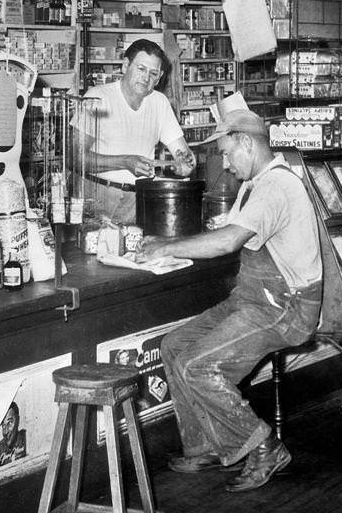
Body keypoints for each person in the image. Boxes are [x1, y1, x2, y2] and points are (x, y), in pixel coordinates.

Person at [134, 109, 322, 492]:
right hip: (253, 298)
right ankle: (208, 445)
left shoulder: (275, 186)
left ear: (248, 144)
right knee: (175, 347)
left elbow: (228, 241)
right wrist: (168, 242)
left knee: (198, 366)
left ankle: (266, 446)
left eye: (227, 152)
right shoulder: (255, 184)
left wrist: (166, 246)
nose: (225, 163)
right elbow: (228, 229)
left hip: (285, 307)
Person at [76, 39, 196, 223]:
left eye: (153, 73)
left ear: (159, 77)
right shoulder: (98, 97)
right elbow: (75, 157)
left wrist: (185, 162)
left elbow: (183, 154)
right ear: (125, 66)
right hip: (98, 196)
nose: (146, 78)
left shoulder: (160, 103)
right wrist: (124, 162)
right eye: (141, 69)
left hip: (139, 199)